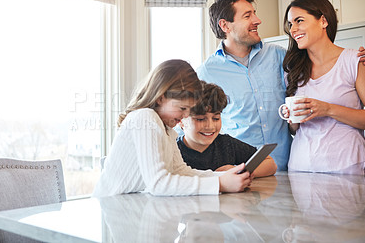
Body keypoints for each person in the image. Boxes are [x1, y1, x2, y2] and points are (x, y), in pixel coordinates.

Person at [196, 0, 365, 171]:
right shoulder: (206, 73)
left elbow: (326, 61)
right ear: (225, 26)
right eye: (247, 16)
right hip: (242, 172)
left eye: (255, 14)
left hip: (287, 169)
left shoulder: (282, 57)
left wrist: (357, 59)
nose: (257, 20)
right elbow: (190, 126)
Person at [92, 59, 252, 197]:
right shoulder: (145, 118)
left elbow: (180, 170)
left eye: (189, 110)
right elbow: (158, 183)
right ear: (161, 97)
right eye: (182, 108)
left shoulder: (166, 129)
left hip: (130, 209)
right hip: (109, 211)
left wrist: (224, 176)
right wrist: (219, 184)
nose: (185, 115)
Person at [281, 0, 365, 175]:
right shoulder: (293, 70)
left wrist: (328, 109)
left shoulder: (356, 61)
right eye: (290, 24)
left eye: (299, 21)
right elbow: (295, 129)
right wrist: (292, 119)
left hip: (345, 167)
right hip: (300, 169)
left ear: (323, 21)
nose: (293, 29)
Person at [178, 81, 277, 178]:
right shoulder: (173, 150)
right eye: (200, 119)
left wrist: (240, 171)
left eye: (216, 118)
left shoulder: (226, 144)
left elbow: (270, 164)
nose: (210, 126)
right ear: (180, 120)